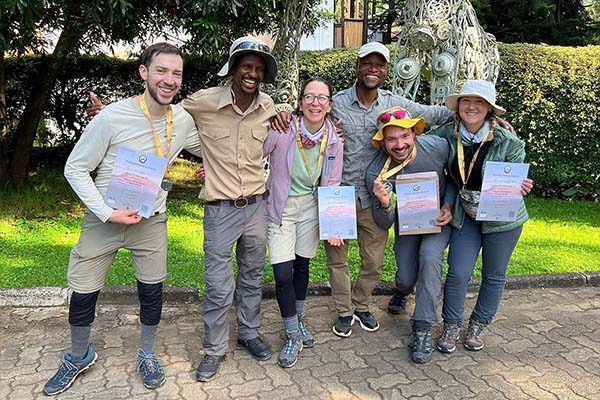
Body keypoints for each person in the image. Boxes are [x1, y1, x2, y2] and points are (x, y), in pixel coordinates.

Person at [43, 42, 203, 396]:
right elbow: (75, 168)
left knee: (152, 291)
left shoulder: (182, 120)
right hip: (105, 220)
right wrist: (106, 212)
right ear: (144, 72)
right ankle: (78, 356)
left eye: (176, 73)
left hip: (151, 221)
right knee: (83, 292)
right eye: (161, 71)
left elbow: (215, 147)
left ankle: (146, 352)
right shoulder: (111, 117)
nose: (169, 80)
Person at [179, 36, 278, 382]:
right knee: (219, 285)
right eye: (247, 66)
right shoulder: (203, 101)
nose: (252, 74)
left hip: (256, 207)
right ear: (234, 68)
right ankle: (214, 349)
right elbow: (163, 117)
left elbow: (291, 129)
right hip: (220, 210)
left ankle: (248, 333)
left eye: (259, 69)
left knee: (252, 276)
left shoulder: (269, 107)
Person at [429, 80, 532, 354]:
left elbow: (514, 176)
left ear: (489, 109)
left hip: (502, 219)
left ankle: (478, 324)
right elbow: (415, 142)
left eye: (479, 102)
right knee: (458, 273)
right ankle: (451, 325)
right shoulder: (446, 134)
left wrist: (520, 185)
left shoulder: (508, 141)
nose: (472, 107)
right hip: (466, 215)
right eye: (466, 101)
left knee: (494, 275)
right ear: (458, 106)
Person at [263, 78, 344, 368]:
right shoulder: (283, 130)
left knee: (302, 266)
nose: (315, 103)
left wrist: (334, 225)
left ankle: (297, 321)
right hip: (281, 208)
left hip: (311, 206)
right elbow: (253, 153)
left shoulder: (334, 139)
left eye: (322, 98)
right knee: (282, 273)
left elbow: (333, 182)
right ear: (300, 103)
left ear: (329, 105)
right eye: (309, 96)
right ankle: (291, 334)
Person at [365, 107, 453, 363]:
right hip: (408, 223)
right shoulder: (377, 172)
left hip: (438, 219)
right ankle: (403, 291)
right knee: (404, 278)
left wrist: (448, 205)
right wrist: (384, 203)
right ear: (383, 142)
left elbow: (456, 177)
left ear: (414, 133)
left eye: (405, 136)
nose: (399, 144)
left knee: (430, 259)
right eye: (391, 139)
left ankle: (422, 327)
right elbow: (384, 223)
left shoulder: (437, 147)